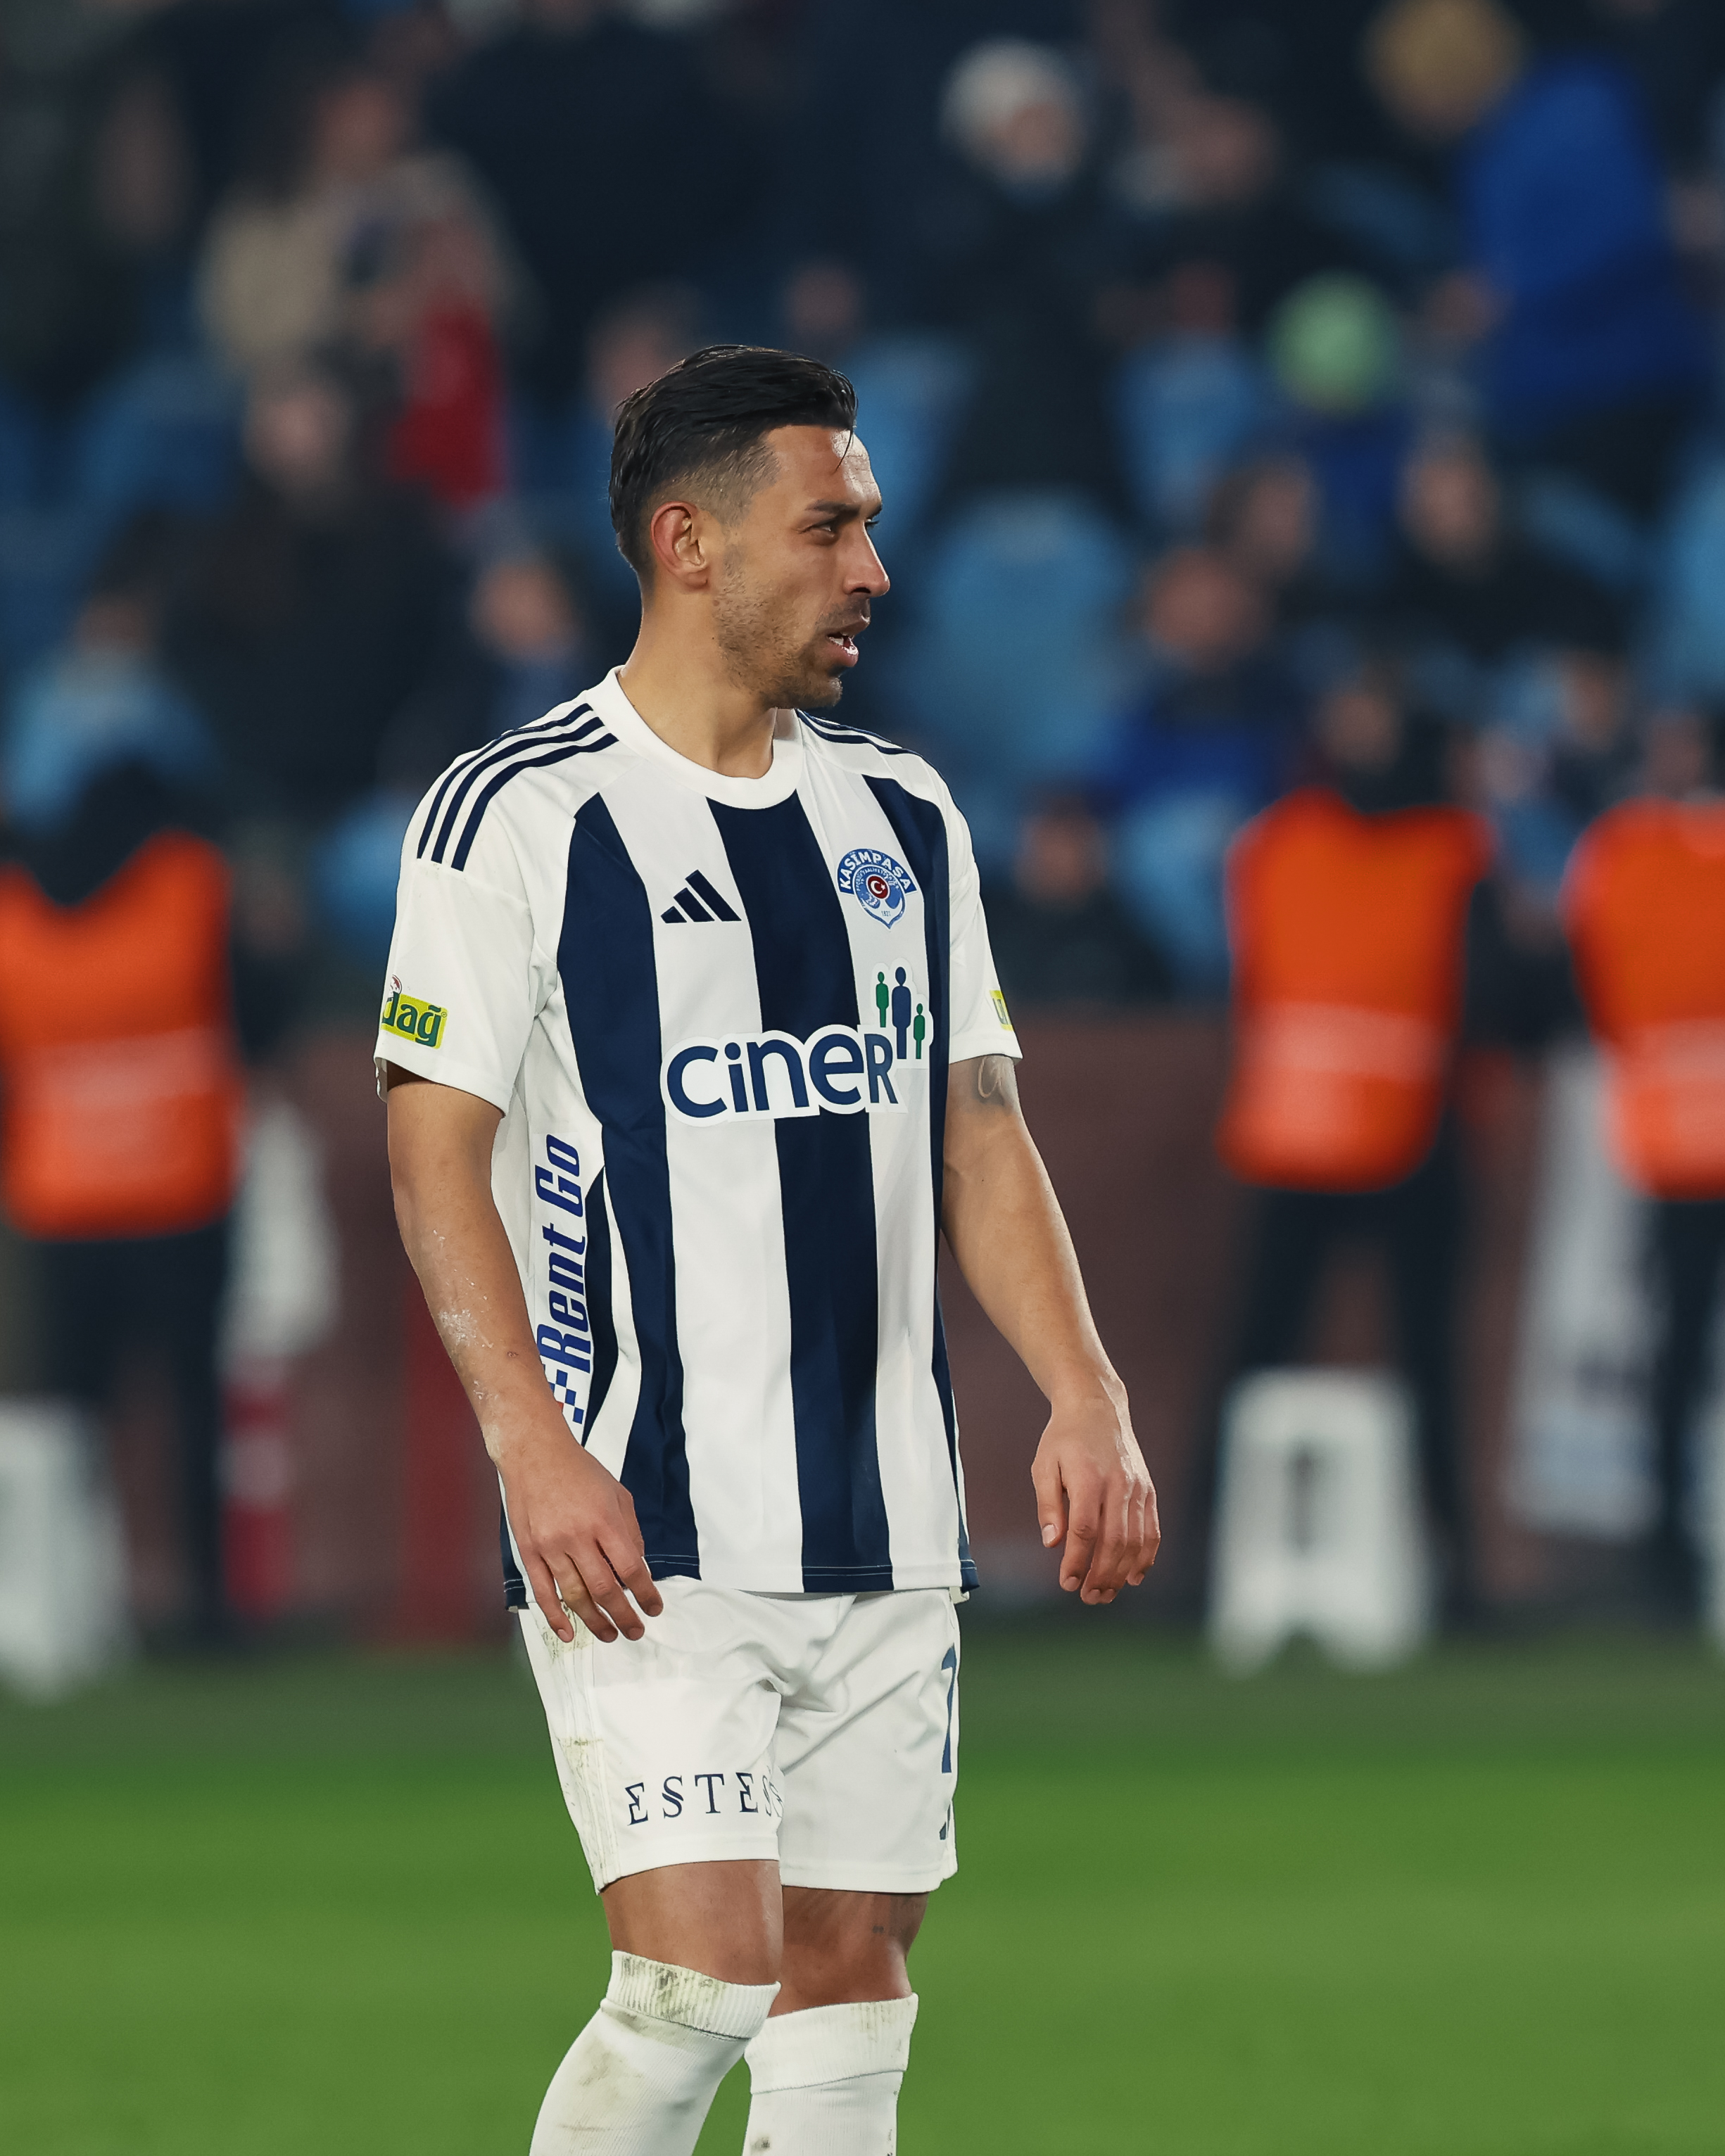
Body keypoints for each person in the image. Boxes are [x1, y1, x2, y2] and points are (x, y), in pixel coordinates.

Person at [377, 346, 1157, 2154]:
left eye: (868, 524)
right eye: (830, 526)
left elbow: (978, 1123)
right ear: (691, 543)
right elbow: (431, 1158)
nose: (873, 568)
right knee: (696, 1982)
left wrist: (1085, 1392)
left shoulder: (902, 814)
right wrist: (529, 1445)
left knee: (849, 1983)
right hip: (644, 1513)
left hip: (886, 1512)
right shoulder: (519, 812)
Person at [1213, 665, 1492, 1616]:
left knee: (1422, 1365)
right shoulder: (1427, 847)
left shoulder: (1431, 848)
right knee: (1259, 1356)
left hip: (1402, 1140)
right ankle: (1194, 1560)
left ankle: (1451, 1572)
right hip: (1317, 1138)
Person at [0, 756, 246, 1648]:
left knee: (70, 1415)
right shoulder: (191, 882)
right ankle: (202, 1608)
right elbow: (253, 1008)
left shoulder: (15, 908)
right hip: (183, 1183)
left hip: (59, 1192)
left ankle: (73, 1615)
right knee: (192, 1407)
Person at [1562, 709, 1725, 1623]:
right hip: (1678, 1151)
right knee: (1674, 1354)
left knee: (1675, 1354)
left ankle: (1667, 1553)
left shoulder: (1622, 855)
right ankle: (1665, 1548)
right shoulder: (1626, 851)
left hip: (1673, 1140)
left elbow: (1597, 979)